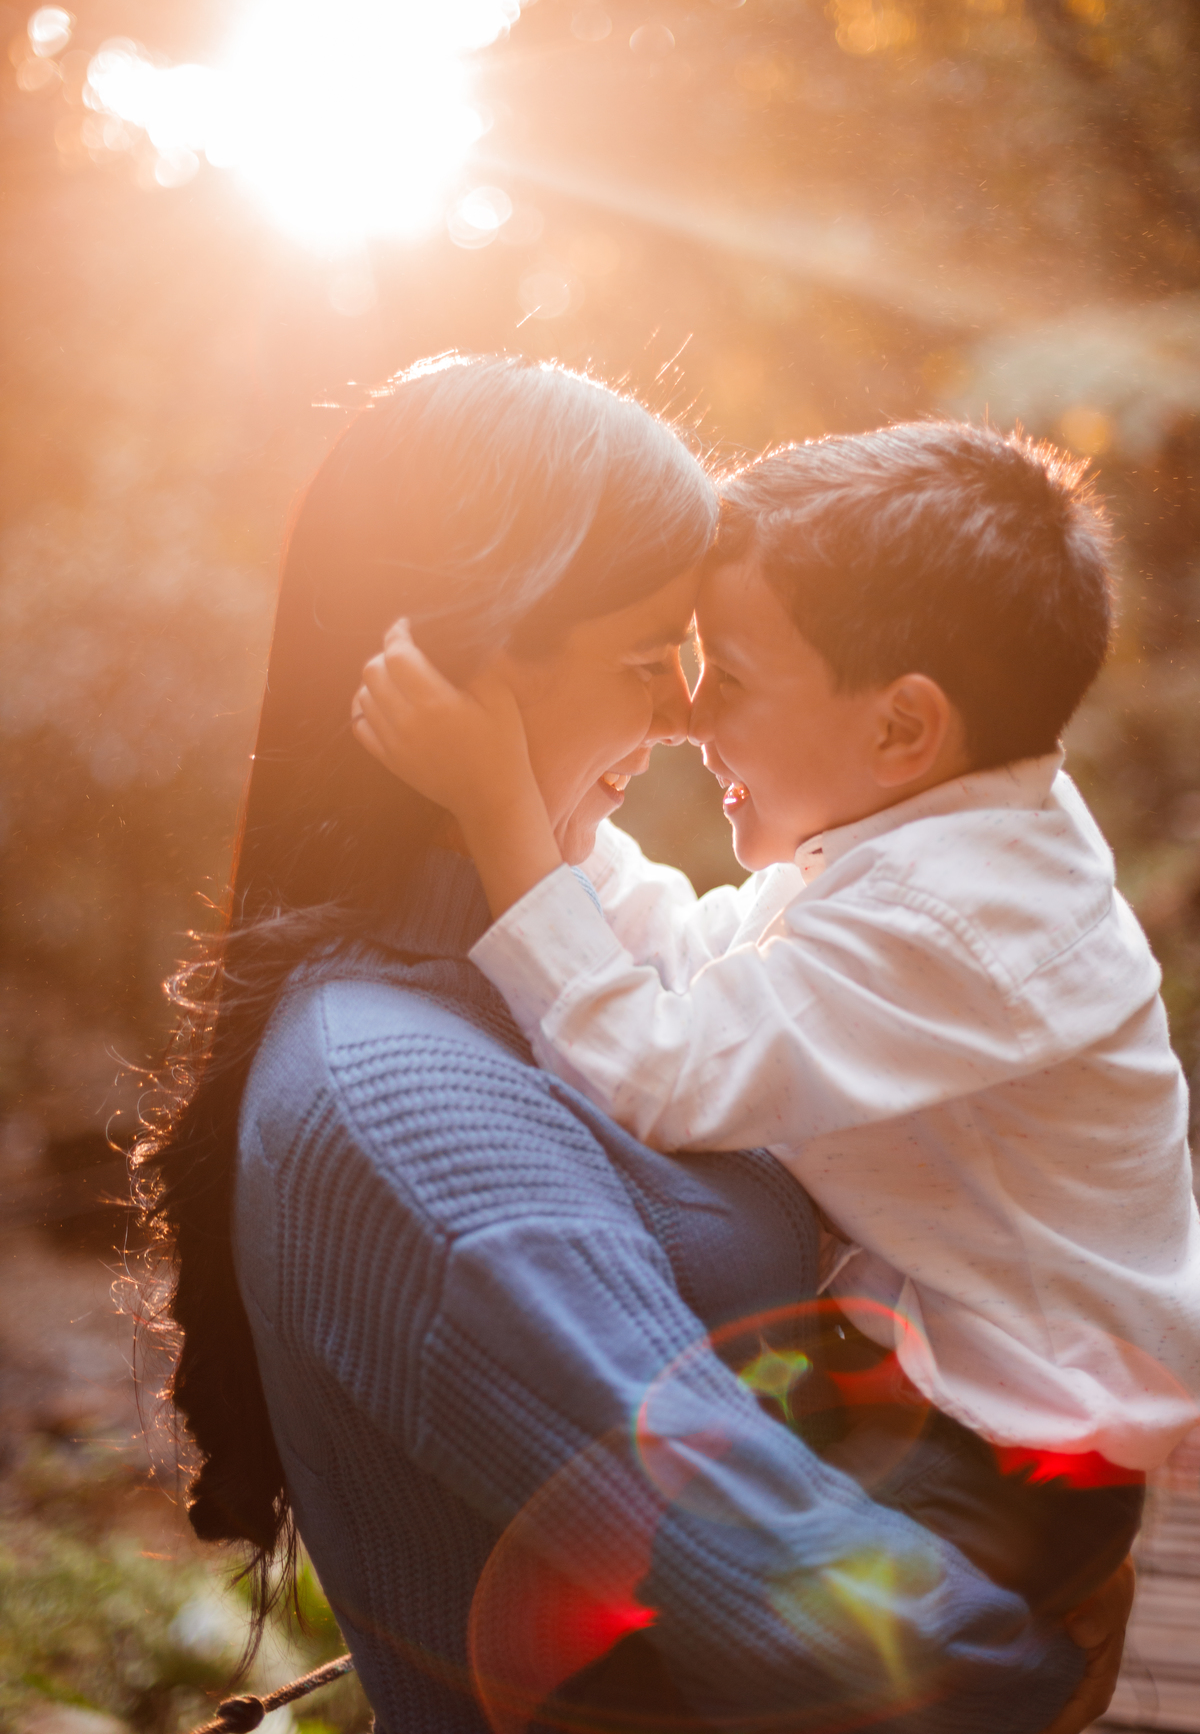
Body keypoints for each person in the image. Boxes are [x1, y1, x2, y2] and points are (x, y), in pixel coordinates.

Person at [139, 364, 1126, 1734]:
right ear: (458, 667)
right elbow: (835, 1630)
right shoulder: (403, 1103)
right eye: (648, 656)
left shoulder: (509, 965)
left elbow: (651, 946)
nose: (683, 713)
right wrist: (1061, 1665)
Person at [351, 419, 1200, 1632]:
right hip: (932, 1382)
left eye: (729, 679)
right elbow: (709, 968)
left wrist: (501, 808)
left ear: (903, 727)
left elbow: (661, 1066)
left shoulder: (958, 919)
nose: (689, 715)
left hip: (1018, 1459)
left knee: (746, 1632)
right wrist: (548, 799)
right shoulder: (929, 827)